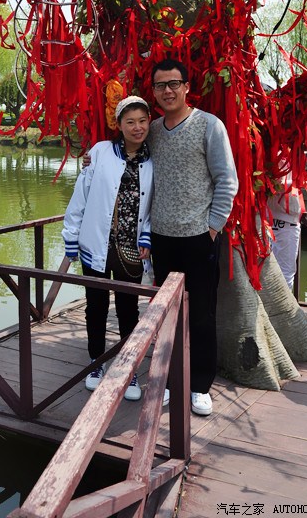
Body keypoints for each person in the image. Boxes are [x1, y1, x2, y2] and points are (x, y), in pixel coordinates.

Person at [149, 58, 238, 416]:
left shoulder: (208, 125)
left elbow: (226, 180)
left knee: (201, 313)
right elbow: (129, 161)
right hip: (161, 237)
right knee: (165, 313)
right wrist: (93, 161)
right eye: (160, 85)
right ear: (154, 92)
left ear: (187, 87)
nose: (167, 91)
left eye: (174, 83)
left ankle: (200, 385)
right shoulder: (153, 130)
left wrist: (212, 227)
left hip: (199, 237)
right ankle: (170, 380)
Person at [62, 96, 154, 401]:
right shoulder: (100, 152)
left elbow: (154, 205)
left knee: (129, 309)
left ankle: (128, 369)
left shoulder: (154, 160)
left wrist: (147, 235)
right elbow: (81, 195)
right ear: (119, 125)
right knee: (96, 305)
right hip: (97, 243)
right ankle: (96, 363)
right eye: (130, 122)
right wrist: (71, 235)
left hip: (131, 248)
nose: (137, 127)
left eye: (142, 121)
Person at [267, 164, 307, 290]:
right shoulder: (275, 155)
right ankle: (283, 303)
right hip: (281, 223)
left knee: (281, 274)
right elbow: (270, 185)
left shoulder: (293, 157)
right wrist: (304, 179)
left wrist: (304, 179)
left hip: (280, 222)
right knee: (283, 275)